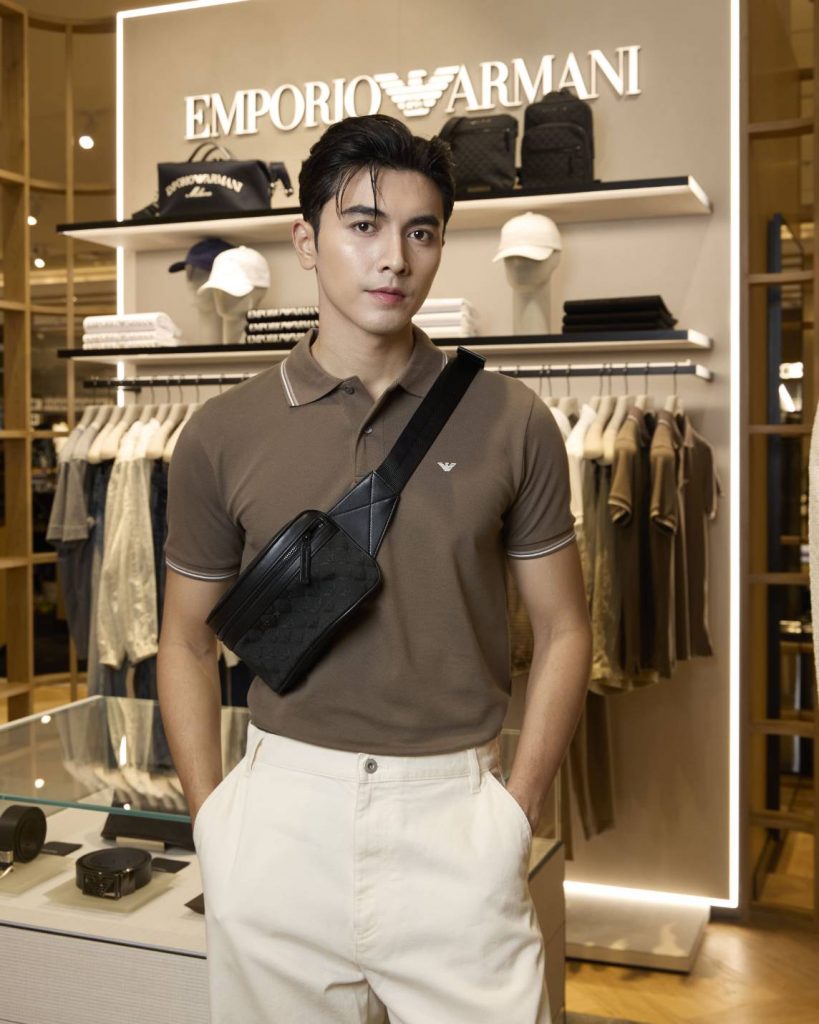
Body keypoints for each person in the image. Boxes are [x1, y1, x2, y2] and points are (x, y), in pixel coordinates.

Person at [158, 113, 592, 1024]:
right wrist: (214, 822)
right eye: (363, 225)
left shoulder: (513, 422)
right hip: (279, 819)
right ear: (304, 240)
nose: (393, 258)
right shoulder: (220, 433)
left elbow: (564, 629)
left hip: (453, 817)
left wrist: (513, 813)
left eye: (420, 231)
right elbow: (186, 643)